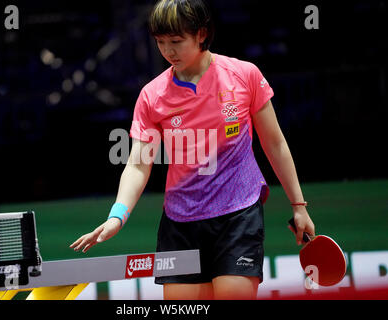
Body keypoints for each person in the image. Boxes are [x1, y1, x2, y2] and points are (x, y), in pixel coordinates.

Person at [70, 0, 315, 300]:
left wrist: (298, 206)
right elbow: (138, 164)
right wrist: (116, 217)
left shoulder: (243, 75)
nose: (167, 51)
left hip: (237, 216)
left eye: (176, 41)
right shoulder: (152, 96)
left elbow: (274, 143)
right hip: (181, 224)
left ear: (201, 34)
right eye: (160, 42)